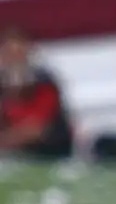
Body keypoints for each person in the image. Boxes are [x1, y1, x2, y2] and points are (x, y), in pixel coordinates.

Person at [0, 25, 75, 160]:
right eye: (8, 53)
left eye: (18, 53)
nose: (13, 59)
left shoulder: (43, 82)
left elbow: (36, 128)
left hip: (47, 151)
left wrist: (5, 140)